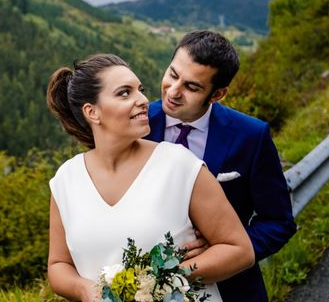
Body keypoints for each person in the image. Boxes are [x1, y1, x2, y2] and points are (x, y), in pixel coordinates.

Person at [46, 53, 254, 302]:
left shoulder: (179, 164)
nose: (143, 100)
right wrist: (85, 290)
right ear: (92, 112)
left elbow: (239, 250)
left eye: (140, 90)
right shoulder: (66, 180)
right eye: (125, 93)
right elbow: (58, 264)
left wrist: (165, 278)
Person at [146, 30, 297, 301]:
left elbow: (279, 222)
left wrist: (225, 252)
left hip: (231, 290)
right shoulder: (137, 125)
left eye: (192, 87)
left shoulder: (250, 136)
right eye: (172, 74)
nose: (174, 91)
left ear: (218, 94)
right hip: (147, 289)